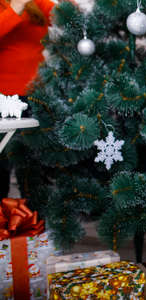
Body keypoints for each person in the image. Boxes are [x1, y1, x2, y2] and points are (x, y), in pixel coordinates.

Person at [0, 0, 76, 198]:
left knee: (33, 165)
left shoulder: (35, 3)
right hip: (4, 98)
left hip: (36, 95)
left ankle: (35, 222)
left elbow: (67, 19)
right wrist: (16, 8)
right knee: (1, 165)